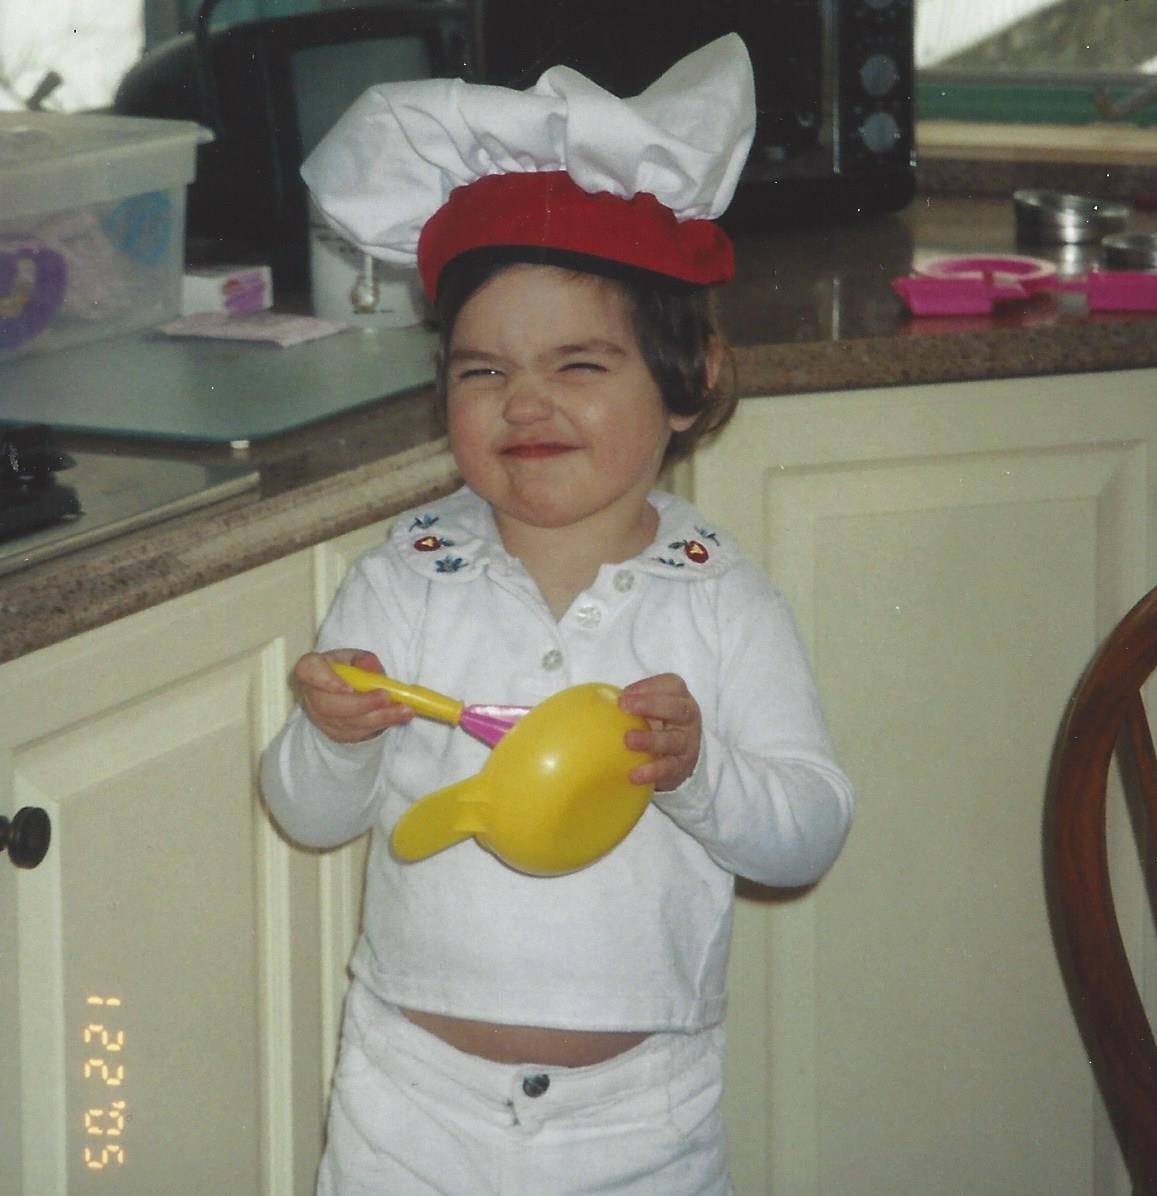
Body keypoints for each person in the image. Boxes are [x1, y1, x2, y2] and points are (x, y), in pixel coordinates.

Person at [261, 34, 853, 1196]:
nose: (522, 401)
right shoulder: (407, 574)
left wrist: (692, 772)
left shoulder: (719, 594)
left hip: (642, 1116)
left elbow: (808, 830)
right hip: (403, 1103)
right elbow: (307, 812)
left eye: (577, 365)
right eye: (481, 371)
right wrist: (333, 736)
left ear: (687, 383)